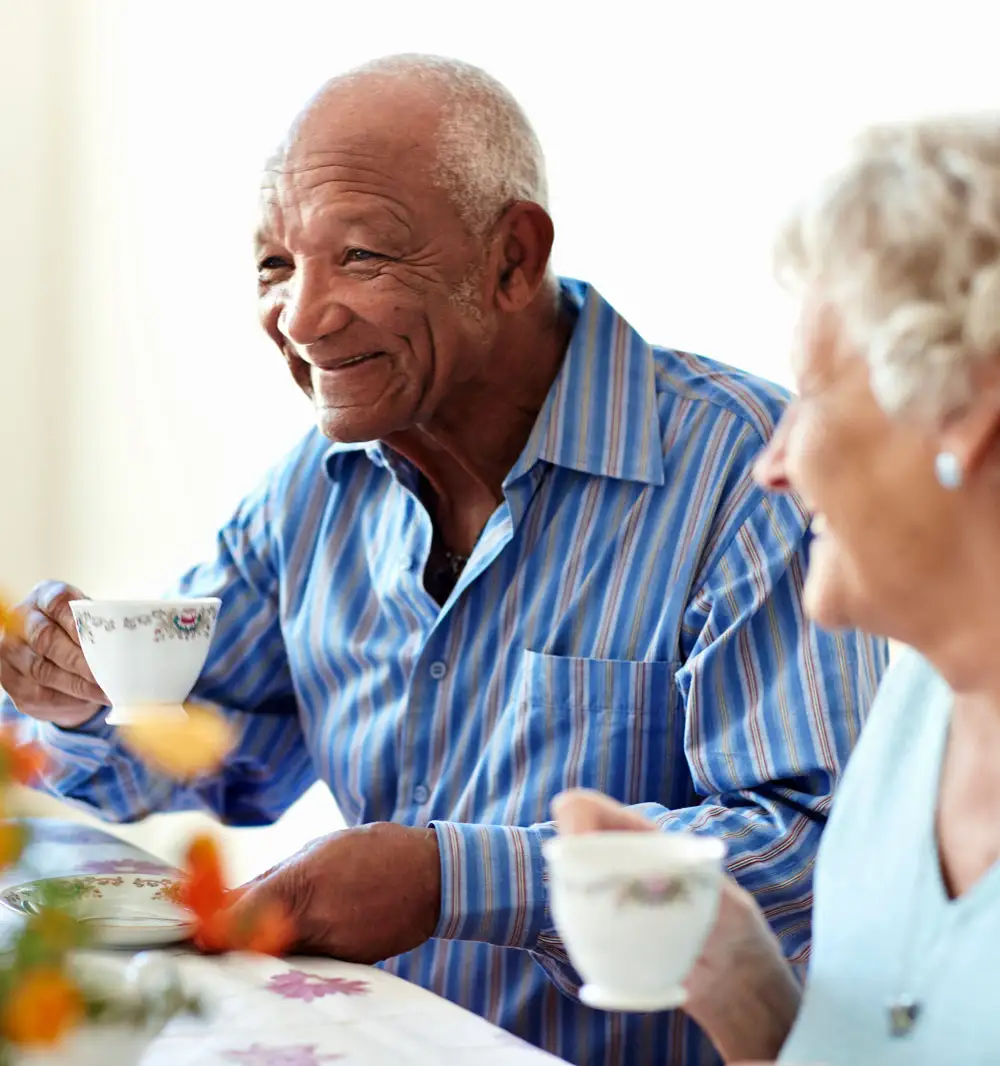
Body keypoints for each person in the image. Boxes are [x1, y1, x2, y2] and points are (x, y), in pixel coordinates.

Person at [0, 55, 885, 1066]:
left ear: (512, 259)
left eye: (360, 255)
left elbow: (815, 852)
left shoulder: (748, 470)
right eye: (275, 265)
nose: (302, 317)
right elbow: (201, 753)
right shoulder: (314, 491)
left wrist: (449, 881)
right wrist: (71, 698)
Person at [555, 114, 1000, 1066]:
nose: (773, 463)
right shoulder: (916, 703)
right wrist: (739, 976)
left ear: (971, 413)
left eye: (813, 393)